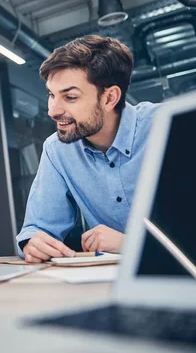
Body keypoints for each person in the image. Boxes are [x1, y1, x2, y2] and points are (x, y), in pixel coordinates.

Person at [17, 35, 158, 263]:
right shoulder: (57, 151)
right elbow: (39, 228)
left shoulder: (168, 127)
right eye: (52, 95)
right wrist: (33, 243)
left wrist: (128, 243)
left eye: (70, 97)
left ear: (110, 97)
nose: (53, 110)